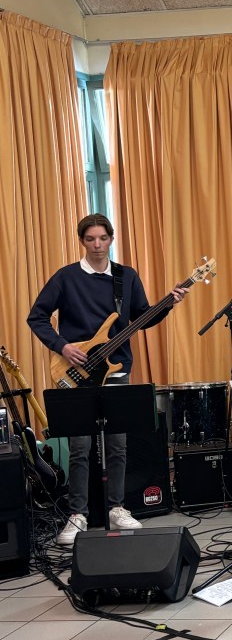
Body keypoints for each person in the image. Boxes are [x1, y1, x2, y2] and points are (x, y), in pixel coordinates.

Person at [27, 213, 189, 545]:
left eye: (103, 238)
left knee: (118, 444)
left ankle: (117, 507)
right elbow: (37, 316)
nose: (97, 245)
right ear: (82, 241)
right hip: (75, 370)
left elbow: (142, 317)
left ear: (111, 239)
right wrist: (62, 346)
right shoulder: (66, 277)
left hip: (116, 369)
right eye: (91, 239)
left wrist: (168, 304)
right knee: (80, 447)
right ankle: (78, 514)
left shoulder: (125, 276)